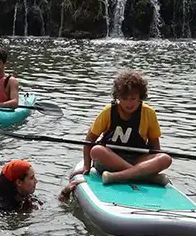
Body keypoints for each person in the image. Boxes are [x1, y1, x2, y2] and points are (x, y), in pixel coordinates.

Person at [61, 70, 171, 198]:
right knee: (96, 150)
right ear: (117, 97)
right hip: (109, 160)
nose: (129, 103)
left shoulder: (148, 113)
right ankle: (145, 176)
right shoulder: (108, 111)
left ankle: (119, 177)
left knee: (165, 158)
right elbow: (89, 140)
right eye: (124, 99)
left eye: (133, 99)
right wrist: (87, 165)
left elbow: (155, 148)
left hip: (137, 160)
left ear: (141, 96)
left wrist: (154, 163)